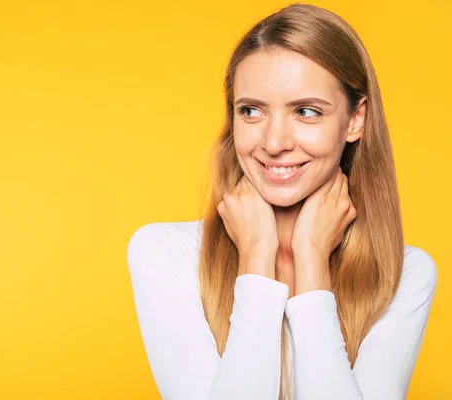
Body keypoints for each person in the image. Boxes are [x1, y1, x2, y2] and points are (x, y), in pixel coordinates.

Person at [126, 3, 437, 400]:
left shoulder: (405, 273)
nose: (274, 143)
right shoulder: (166, 253)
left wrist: (311, 260)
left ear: (355, 120)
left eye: (306, 111)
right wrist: (256, 254)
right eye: (252, 111)